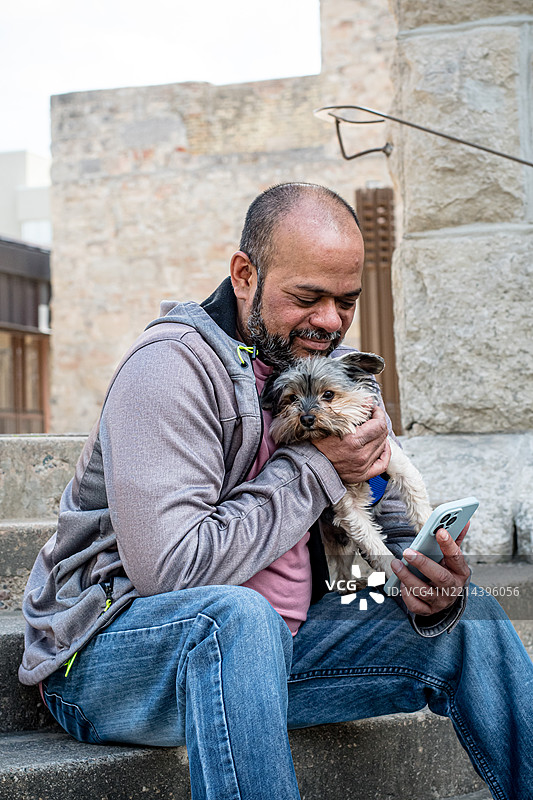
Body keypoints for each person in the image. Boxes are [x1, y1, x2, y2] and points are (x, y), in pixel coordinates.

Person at [20, 183, 533, 799]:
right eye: (307, 298)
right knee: (237, 617)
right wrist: (319, 467)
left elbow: (388, 531)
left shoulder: (336, 379)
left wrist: (426, 581)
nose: (330, 322)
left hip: (280, 642)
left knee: (469, 616)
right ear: (244, 274)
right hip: (109, 657)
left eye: (346, 301)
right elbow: (172, 569)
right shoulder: (169, 368)